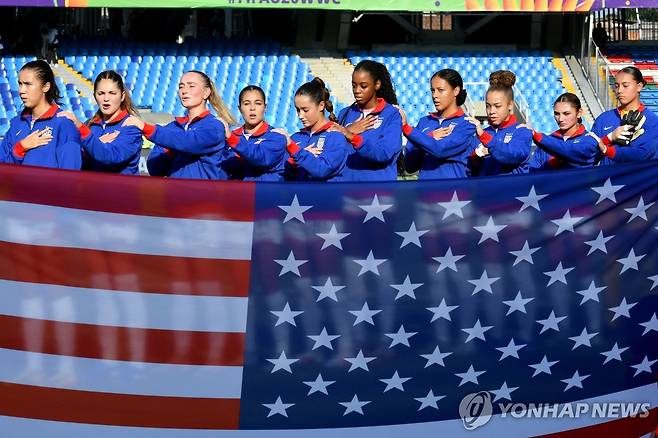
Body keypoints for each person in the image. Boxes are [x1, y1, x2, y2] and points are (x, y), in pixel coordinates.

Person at [123, 70, 237, 180]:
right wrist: (170, 152)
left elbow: (189, 142)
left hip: (202, 196)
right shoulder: (171, 127)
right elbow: (153, 168)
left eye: (191, 86)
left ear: (206, 92)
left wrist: (146, 128)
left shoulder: (214, 126)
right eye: (181, 86)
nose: (184, 90)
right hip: (174, 195)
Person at [0, 60, 81, 169]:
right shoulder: (16, 123)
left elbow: (70, 175)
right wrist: (20, 148)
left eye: (28, 84)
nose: (21, 90)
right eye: (20, 84)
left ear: (46, 87)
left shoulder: (64, 125)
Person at [58, 70, 143, 175]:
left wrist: (88, 139)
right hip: (92, 190)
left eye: (112, 93)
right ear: (94, 96)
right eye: (101, 93)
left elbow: (111, 157)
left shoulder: (131, 127)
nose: (106, 99)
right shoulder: (89, 124)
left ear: (122, 96)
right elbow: (73, 161)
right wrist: (94, 143)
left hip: (122, 190)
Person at [331, 60, 402, 181]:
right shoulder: (344, 113)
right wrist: (348, 130)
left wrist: (353, 138)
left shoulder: (392, 114)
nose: (357, 90)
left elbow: (384, 153)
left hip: (379, 192)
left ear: (377, 85)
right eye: (354, 85)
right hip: (348, 191)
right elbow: (332, 152)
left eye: (363, 86)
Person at [398, 68, 476, 179]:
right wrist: (429, 137)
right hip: (426, 193)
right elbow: (410, 166)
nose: (435, 95)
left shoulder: (467, 124)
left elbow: (440, 150)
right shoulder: (424, 122)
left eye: (440, 90)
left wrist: (407, 129)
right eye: (432, 90)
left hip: (454, 193)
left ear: (456, 91)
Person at [281, 77, 349, 182]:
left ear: (321, 106)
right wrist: (295, 160)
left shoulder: (335, 137)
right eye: (298, 110)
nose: (300, 115)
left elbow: (322, 170)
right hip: (296, 197)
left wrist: (298, 153)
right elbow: (282, 173)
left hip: (325, 197)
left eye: (305, 110)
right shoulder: (295, 137)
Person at [467, 70, 532, 176]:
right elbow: (469, 171)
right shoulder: (481, 134)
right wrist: (475, 156)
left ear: (510, 105)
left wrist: (488, 143)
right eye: (488, 106)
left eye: (497, 106)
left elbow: (512, 156)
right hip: (487, 191)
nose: (491, 111)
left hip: (514, 192)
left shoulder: (522, 131)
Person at [593, 67, 658, 164]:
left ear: (639, 86)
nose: (619, 90)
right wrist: (609, 138)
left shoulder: (652, 121)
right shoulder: (603, 119)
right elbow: (588, 156)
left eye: (625, 85)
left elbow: (643, 154)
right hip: (605, 178)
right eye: (617, 86)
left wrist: (608, 150)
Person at [223, 85, 287, 181]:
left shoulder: (276, 136)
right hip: (235, 194)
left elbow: (261, 158)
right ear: (240, 108)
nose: (252, 108)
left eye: (258, 103)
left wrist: (232, 139)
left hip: (265, 194)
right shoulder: (230, 137)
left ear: (265, 107)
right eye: (246, 104)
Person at [529, 92, 600, 170]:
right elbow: (533, 174)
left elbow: (571, 151)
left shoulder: (589, 140)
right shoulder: (548, 140)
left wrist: (538, 136)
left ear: (579, 113)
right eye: (557, 114)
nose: (560, 119)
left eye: (566, 113)